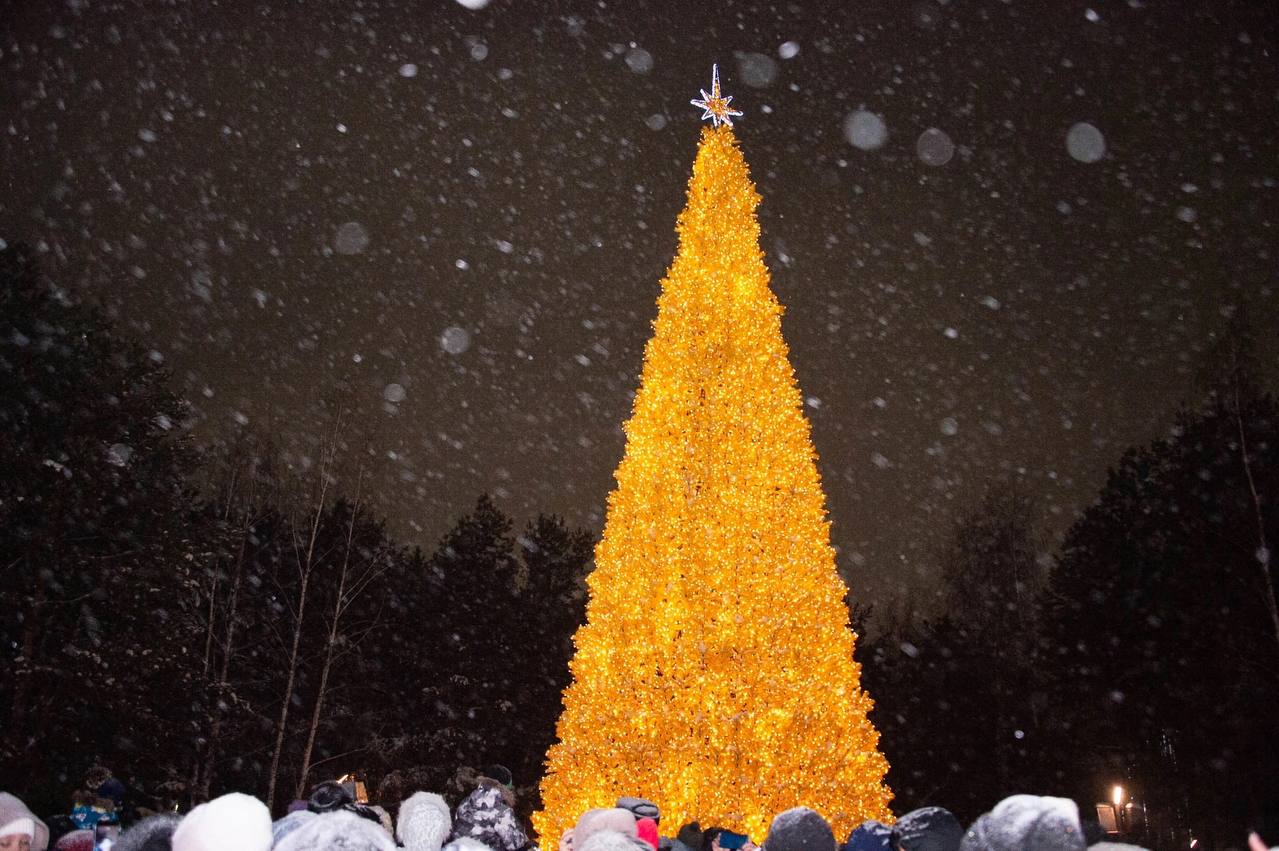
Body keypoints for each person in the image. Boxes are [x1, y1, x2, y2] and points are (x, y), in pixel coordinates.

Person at [449, 765, 529, 851]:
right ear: (505, 787)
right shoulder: (501, 811)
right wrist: (524, 836)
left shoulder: (466, 801)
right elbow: (515, 844)